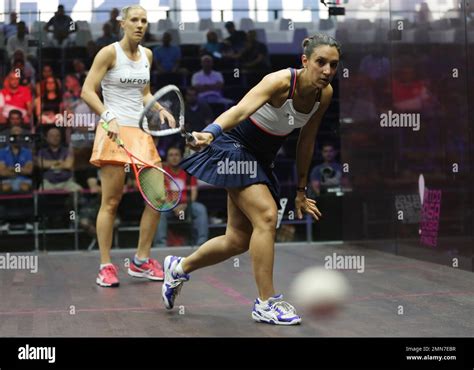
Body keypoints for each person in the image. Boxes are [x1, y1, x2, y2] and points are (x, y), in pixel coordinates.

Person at [162, 33, 339, 325]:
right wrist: (210, 132)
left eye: (333, 65)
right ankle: (267, 302)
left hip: (261, 159)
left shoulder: (325, 93)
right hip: (235, 148)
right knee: (267, 216)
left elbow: (307, 139)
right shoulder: (280, 81)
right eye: (321, 62)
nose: (327, 71)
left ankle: (179, 267)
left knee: (237, 240)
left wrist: (301, 189)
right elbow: (240, 109)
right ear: (305, 61)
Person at [81, 5, 175, 288]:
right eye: (134, 20)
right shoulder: (109, 53)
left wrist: (158, 107)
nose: (140, 25)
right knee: (111, 202)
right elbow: (87, 90)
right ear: (122, 23)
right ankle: (106, 265)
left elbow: (143, 92)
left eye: (144, 21)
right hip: (114, 132)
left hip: (141, 133)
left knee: (157, 198)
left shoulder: (147, 54)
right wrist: (106, 115)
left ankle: (141, 260)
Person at [154, 146, 209, 247]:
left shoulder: (188, 172)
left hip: (187, 205)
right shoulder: (163, 173)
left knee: (200, 209)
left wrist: (184, 205)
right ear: (167, 158)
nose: (174, 157)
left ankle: (202, 243)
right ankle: (160, 245)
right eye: (171, 155)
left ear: (181, 157)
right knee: (159, 211)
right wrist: (174, 206)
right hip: (169, 206)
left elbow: (193, 193)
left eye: (176, 155)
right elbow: (162, 195)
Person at [37, 127, 82, 191]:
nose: (55, 138)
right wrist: (60, 162)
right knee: (40, 192)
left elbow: (68, 165)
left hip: (67, 182)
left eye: (57, 135)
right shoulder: (42, 152)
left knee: (78, 190)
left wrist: (50, 165)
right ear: (47, 138)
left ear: (60, 137)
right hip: (48, 183)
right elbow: (41, 164)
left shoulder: (67, 151)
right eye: (52, 136)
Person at [0, 125, 33, 192]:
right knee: (6, 187)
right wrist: (21, 170)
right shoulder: (2, 152)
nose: (17, 138)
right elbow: (2, 172)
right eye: (14, 136)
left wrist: (11, 169)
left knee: (24, 187)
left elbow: (29, 171)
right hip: (7, 180)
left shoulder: (27, 152)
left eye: (19, 136)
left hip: (24, 180)